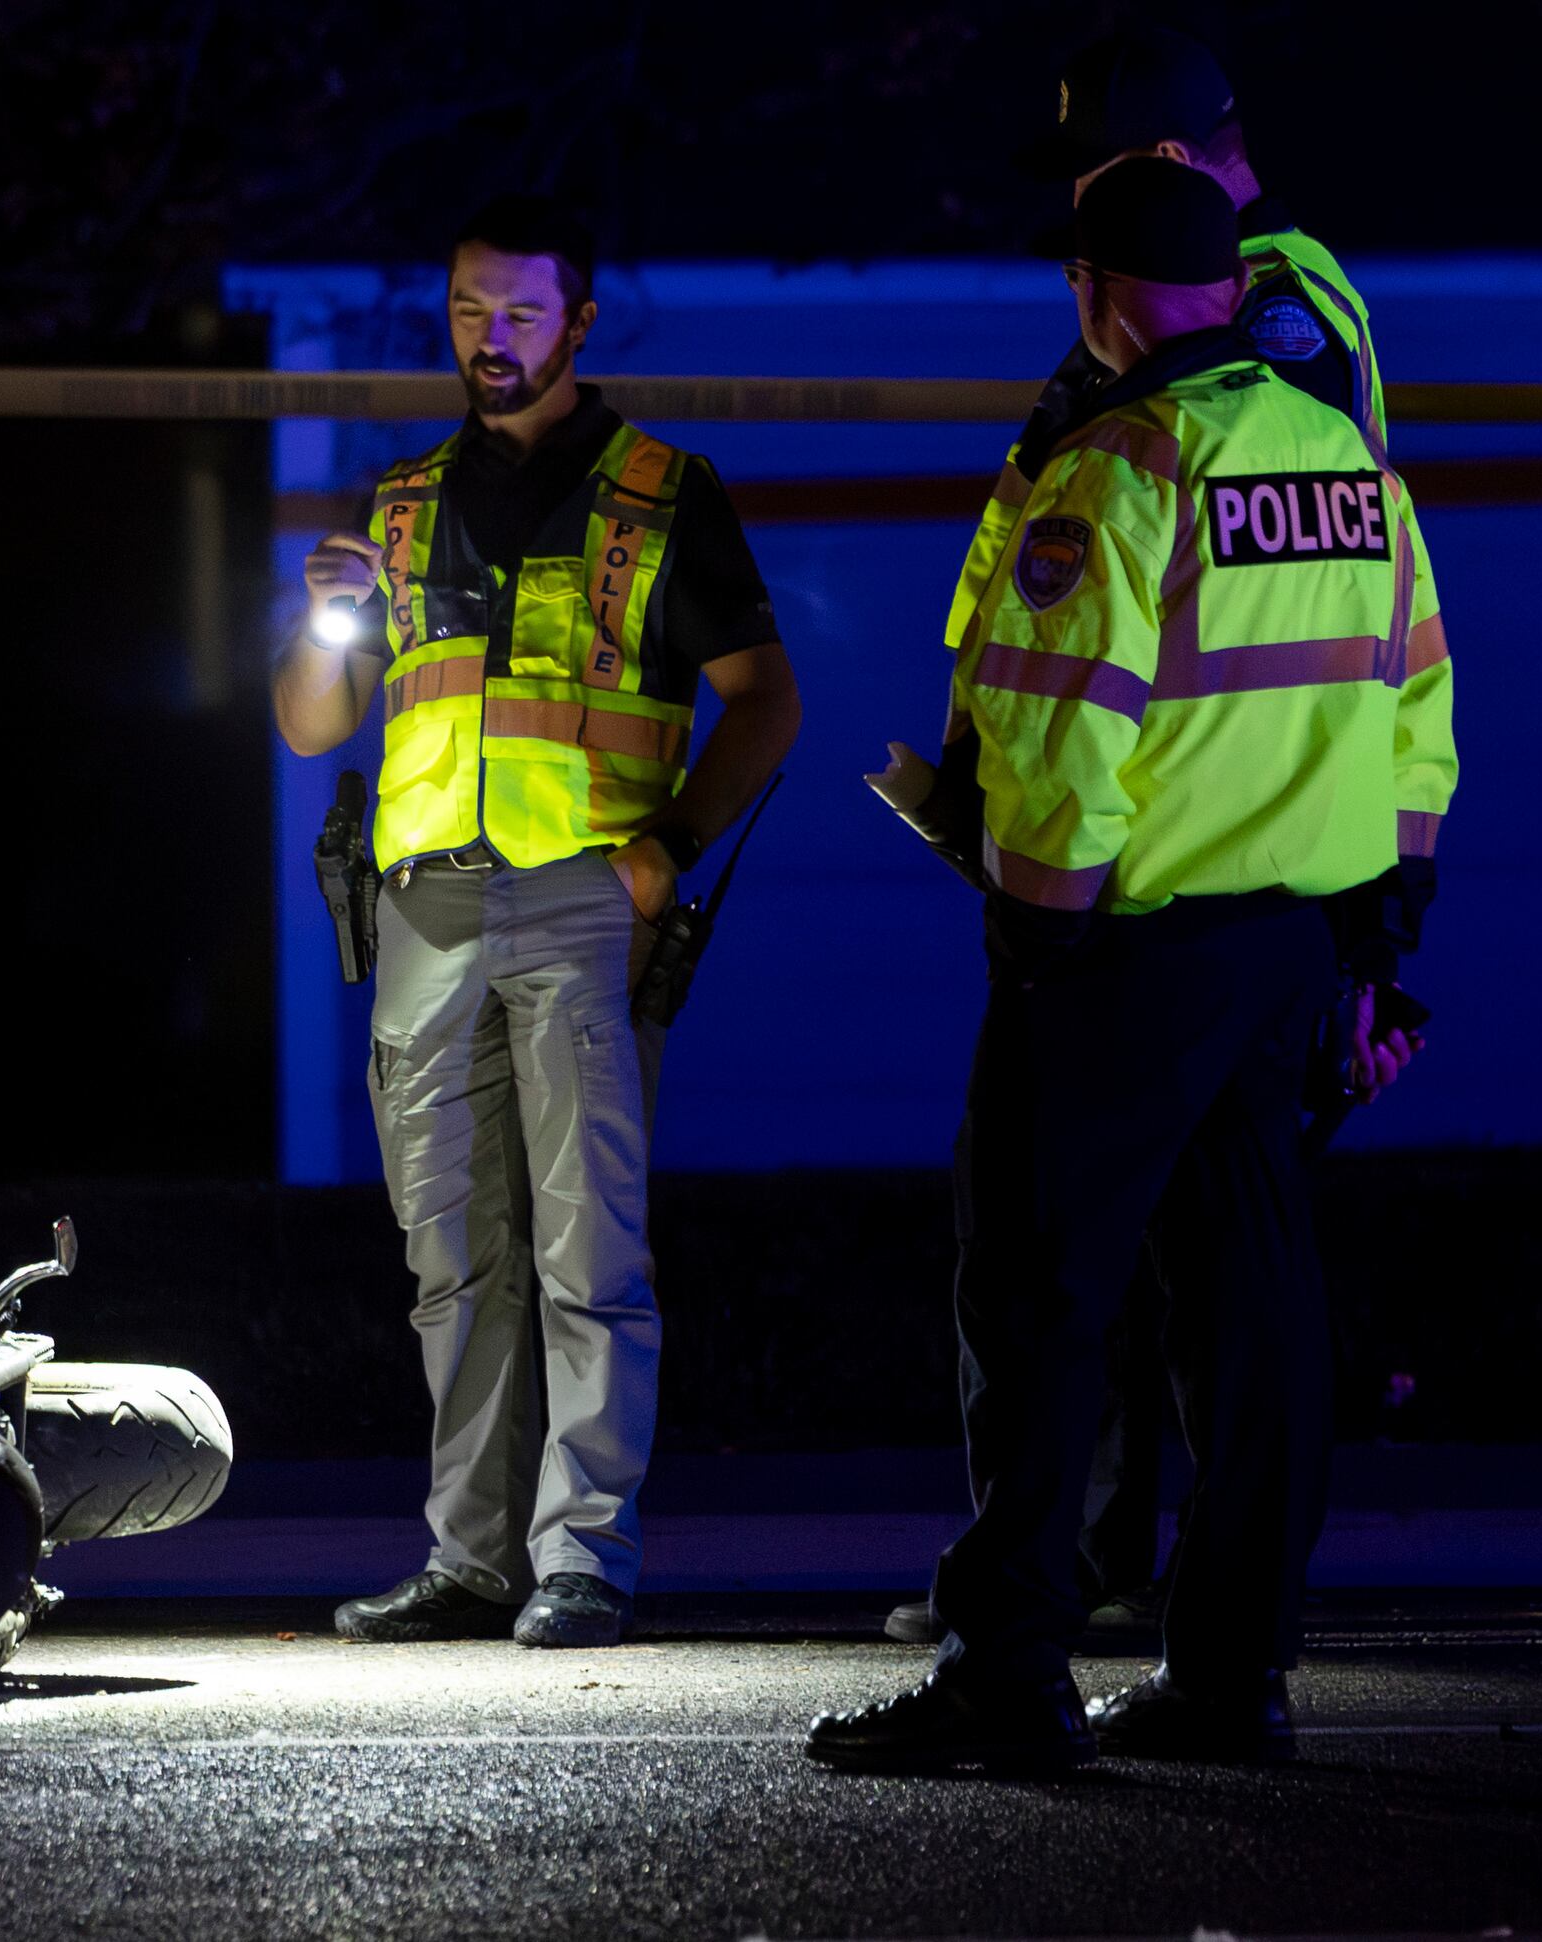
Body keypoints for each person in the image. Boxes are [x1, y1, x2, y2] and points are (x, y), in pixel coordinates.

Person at [809, 160, 1452, 1771]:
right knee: (1257, 1320)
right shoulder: (1346, 459)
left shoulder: (1123, 461)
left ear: (1096, 294)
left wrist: (1036, 922)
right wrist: (1382, 938)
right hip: (1290, 949)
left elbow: (1062, 731)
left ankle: (1006, 1673)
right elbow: (1418, 707)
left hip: (1122, 952)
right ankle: (1237, 1677)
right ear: (1232, 289)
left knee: (1034, 1299)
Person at [891, 22, 1403, 1650]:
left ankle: (1038, 1628)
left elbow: (1157, 610)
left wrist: (1045, 889)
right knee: (1205, 1279)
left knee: (1061, 1266)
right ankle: (1198, 1637)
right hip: (1232, 884)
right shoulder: (1233, 337)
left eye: (1098, 180)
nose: (1079, 222)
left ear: (1173, 170)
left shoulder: (1258, 321)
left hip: (1155, 885)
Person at [275, 195, 801, 1650]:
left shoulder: (662, 490)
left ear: (578, 322)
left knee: (589, 1249)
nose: (487, 338)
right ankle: (470, 1558)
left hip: (582, 898)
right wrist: (318, 616)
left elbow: (768, 699)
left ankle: (584, 1555)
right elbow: (315, 723)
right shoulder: (396, 505)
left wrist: (669, 849)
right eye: (466, 309)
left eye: (517, 312)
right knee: (449, 1250)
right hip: (424, 907)